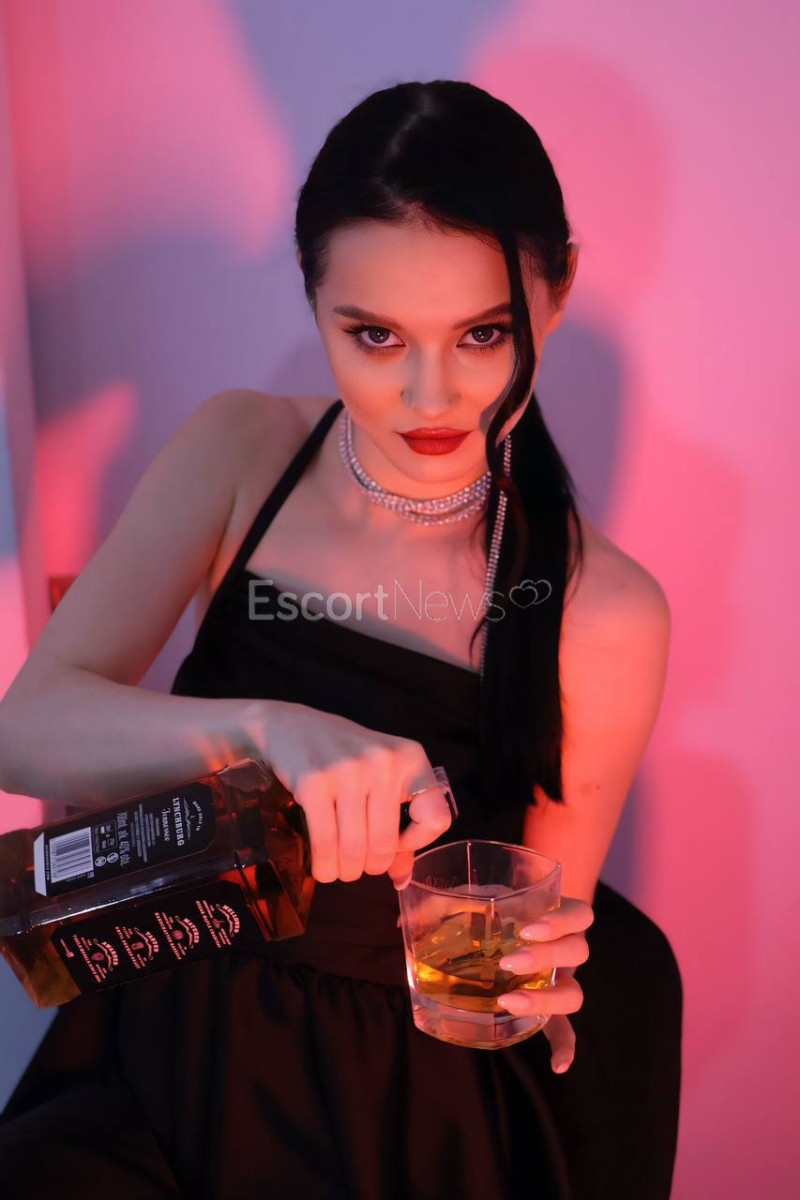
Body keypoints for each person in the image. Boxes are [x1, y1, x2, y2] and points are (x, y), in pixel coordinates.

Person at [0, 80, 682, 1199]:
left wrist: (538, 977)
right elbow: (24, 728)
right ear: (312, 299)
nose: (429, 394)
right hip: (164, 1024)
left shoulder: (604, 609)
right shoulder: (242, 451)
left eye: (482, 334)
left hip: (396, 1092)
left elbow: (526, 942)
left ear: (555, 290)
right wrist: (267, 734)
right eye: (373, 335)